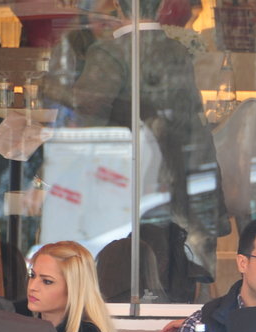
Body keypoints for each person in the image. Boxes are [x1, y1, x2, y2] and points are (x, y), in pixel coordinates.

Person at [70, 0, 228, 283]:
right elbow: (189, 112)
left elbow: (87, 121)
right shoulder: (177, 50)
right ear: (160, 8)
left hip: (130, 178)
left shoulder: (109, 52)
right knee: (169, 258)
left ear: (119, 7)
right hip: (182, 172)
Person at [29, 241, 127, 332]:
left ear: (74, 289)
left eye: (47, 281)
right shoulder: (20, 320)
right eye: (32, 275)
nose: (32, 287)